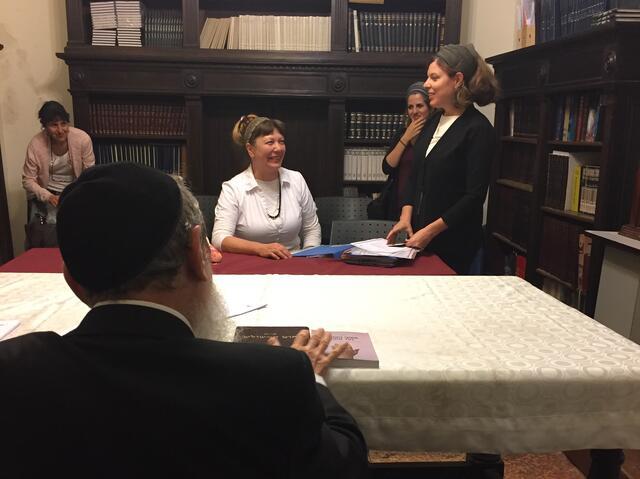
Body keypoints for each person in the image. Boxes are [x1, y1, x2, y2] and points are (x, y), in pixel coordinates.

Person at [0, 163, 368, 477]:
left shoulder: (14, 370)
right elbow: (345, 463)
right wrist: (314, 377)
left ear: (72, 280)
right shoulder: (275, 375)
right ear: (198, 252)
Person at [386, 44, 498, 274]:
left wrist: (429, 232)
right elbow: (415, 176)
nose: (426, 85)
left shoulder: (478, 129)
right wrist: (406, 216)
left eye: (434, 78)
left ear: (457, 80)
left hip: (455, 247)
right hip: (419, 241)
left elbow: (473, 197)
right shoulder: (432, 121)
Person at [212, 114, 321, 259]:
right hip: (250, 267)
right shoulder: (233, 188)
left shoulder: (297, 180)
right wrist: (260, 248)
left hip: (295, 263)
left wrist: (310, 257)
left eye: (281, 142)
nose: (278, 148)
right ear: (251, 150)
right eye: (270, 142)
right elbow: (220, 238)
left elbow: (311, 228)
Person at [22, 100, 95, 223]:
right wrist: (49, 197)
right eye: (54, 125)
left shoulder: (83, 139)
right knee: (46, 233)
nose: (60, 130)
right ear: (44, 126)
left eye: (64, 123)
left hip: (75, 192)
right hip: (46, 194)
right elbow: (28, 180)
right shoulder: (36, 144)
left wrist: (74, 194)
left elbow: (90, 174)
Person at [373, 82, 431, 220]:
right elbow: (387, 167)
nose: (414, 111)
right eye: (410, 107)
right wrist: (406, 136)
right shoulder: (402, 133)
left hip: (421, 206)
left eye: (420, 106)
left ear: (430, 107)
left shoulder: (435, 133)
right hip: (396, 203)